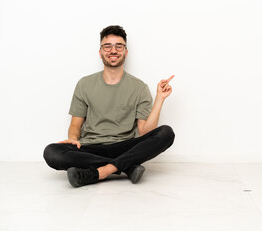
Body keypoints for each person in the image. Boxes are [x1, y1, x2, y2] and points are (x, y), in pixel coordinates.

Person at [43, 25, 175, 188]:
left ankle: (100, 172)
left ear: (125, 52)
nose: (113, 50)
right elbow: (75, 124)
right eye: (107, 46)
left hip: (125, 147)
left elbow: (145, 133)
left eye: (119, 46)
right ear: (100, 52)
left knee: (166, 133)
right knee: (51, 152)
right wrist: (73, 139)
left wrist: (160, 99)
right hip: (90, 147)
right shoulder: (84, 84)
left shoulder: (139, 88)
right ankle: (126, 166)